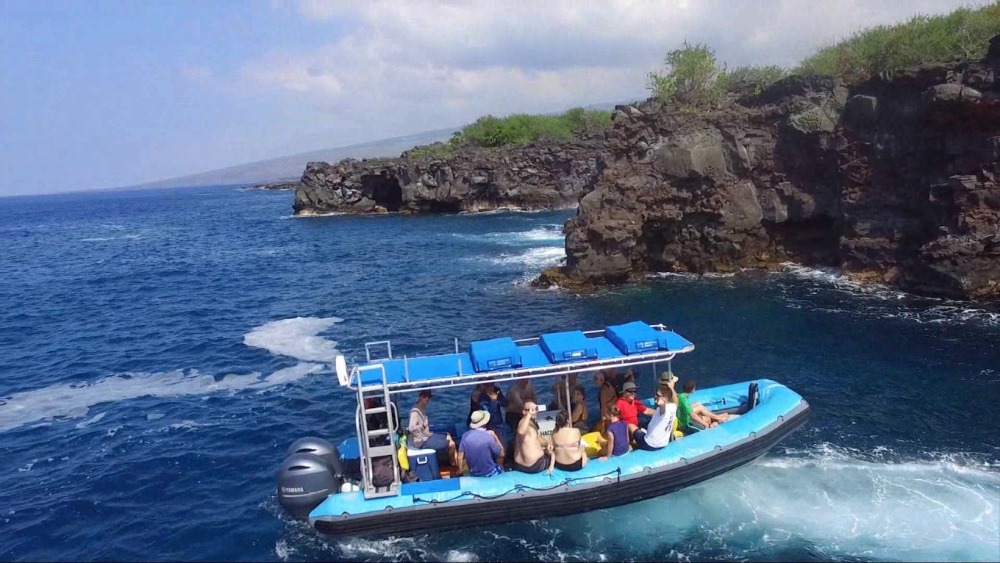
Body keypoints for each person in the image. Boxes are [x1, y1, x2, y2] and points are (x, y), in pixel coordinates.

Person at [407, 390, 457, 466]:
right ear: (420, 396)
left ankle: (456, 462)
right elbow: (411, 428)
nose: (427, 399)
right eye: (424, 396)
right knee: (452, 444)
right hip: (422, 442)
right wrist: (422, 426)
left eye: (429, 397)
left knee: (448, 436)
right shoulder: (415, 411)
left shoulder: (423, 406)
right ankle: (453, 464)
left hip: (428, 436)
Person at [457, 410, 505, 477]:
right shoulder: (489, 437)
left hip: (474, 473)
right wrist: (495, 437)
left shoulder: (465, 436)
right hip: (489, 472)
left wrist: (460, 470)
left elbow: (460, 456)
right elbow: (502, 454)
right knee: (500, 462)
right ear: (484, 423)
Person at [632, 384, 677, 451]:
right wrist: (671, 388)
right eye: (656, 394)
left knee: (630, 426)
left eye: (658, 395)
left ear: (665, 398)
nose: (655, 396)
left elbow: (663, 411)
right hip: (664, 443)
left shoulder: (663, 410)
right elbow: (675, 400)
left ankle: (631, 446)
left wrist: (661, 404)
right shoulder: (673, 406)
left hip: (650, 445)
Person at [512, 401, 553, 474]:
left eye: (536, 409)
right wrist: (529, 415)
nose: (535, 412)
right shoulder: (522, 423)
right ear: (524, 411)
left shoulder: (530, 422)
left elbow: (537, 437)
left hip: (521, 465)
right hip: (535, 466)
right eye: (532, 410)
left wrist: (548, 443)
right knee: (556, 455)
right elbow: (521, 432)